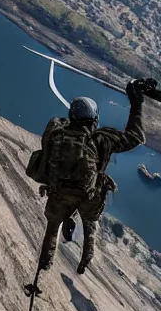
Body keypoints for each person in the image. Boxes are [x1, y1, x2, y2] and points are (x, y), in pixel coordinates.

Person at [36, 79, 146, 274]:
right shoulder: (102, 139)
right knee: (90, 224)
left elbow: (45, 154)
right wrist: (136, 104)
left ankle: (45, 261)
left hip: (59, 193)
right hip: (89, 195)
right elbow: (135, 137)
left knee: (53, 226)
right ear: (94, 118)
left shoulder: (57, 134)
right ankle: (86, 259)